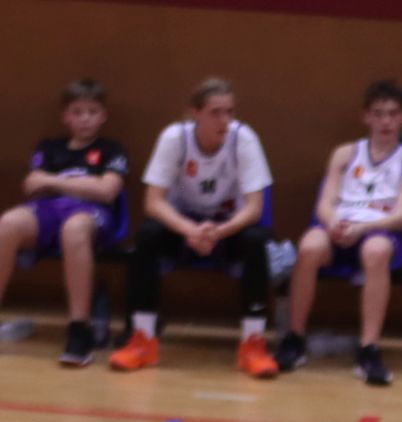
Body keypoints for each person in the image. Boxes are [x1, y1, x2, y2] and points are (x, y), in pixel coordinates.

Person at [108, 77, 276, 378]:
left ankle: (253, 344)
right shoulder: (175, 138)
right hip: (183, 227)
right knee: (147, 235)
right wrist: (189, 230)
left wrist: (219, 232)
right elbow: (153, 202)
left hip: (227, 228)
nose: (224, 120)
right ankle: (142, 338)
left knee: (255, 241)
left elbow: (254, 208)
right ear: (195, 113)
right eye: (215, 112)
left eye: (229, 112)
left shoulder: (244, 138)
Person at [274, 79, 402, 385]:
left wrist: (363, 228)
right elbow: (325, 203)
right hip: (340, 226)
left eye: (392, 114)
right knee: (309, 246)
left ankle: (369, 349)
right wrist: (332, 222)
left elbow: (401, 216)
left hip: (379, 230)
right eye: (378, 114)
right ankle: (294, 339)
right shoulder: (345, 153)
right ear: (366, 117)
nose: (385, 121)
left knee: (375, 251)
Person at [0, 79, 128, 368]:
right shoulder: (49, 147)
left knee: (74, 228)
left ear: (103, 116)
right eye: (78, 112)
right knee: (7, 223)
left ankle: (79, 329)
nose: (85, 119)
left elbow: (107, 190)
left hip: (93, 214)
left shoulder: (112, 149)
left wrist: (55, 181)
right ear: (65, 116)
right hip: (48, 210)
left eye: (92, 112)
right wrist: (83, 183)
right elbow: (31, 186)